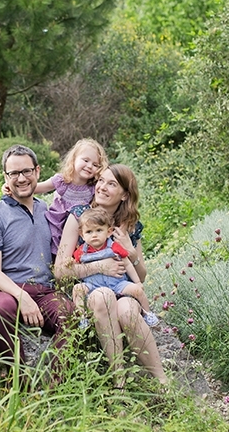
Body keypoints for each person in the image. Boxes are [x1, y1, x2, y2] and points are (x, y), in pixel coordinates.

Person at [54, 164, 169, 386]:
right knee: (104, 296)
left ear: (125, 195)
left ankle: (163, 382)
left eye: (111, 184)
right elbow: (60, 271)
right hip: (91, 290)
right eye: (101, 181)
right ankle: (119, 381)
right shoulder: (79, 216)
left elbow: (141, 276)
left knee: (126, 311)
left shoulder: (130, 226)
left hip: (122, 289)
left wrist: (132, 251)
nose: (102, 187)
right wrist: (100, 267)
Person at [0, 144, 76, 376]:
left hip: (45, 291)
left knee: (71, 316)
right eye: (14, 173)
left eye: (26, 171)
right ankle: (19, 382)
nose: (21, 178)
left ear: (37, 171)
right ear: (5, 176)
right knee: (0, 308)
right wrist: (21, 296)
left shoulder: (48, 210)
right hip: (11, 291)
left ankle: (55, 385)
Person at [4, 138, 108, 257]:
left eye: (95, 165)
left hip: (78, 231)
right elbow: (35, 188)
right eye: (85, 160)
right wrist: (10, 187)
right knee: (51, 255)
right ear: (74, 159)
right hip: (56, 226)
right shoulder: (62, 181)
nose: (89, 166)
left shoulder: (93, 187)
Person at [73, 208, 159, 328]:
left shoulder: (114, 247)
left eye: (99, 230)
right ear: (82, 234)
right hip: (93, 286)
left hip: (117, 283)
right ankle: (82, 317)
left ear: (108, 232)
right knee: (77, 289)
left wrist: (138, 282)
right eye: (89, 232)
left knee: (137, 290)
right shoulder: (81, 251)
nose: (94, 235)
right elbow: (76, 269)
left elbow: (127, 264)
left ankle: (148, 314)